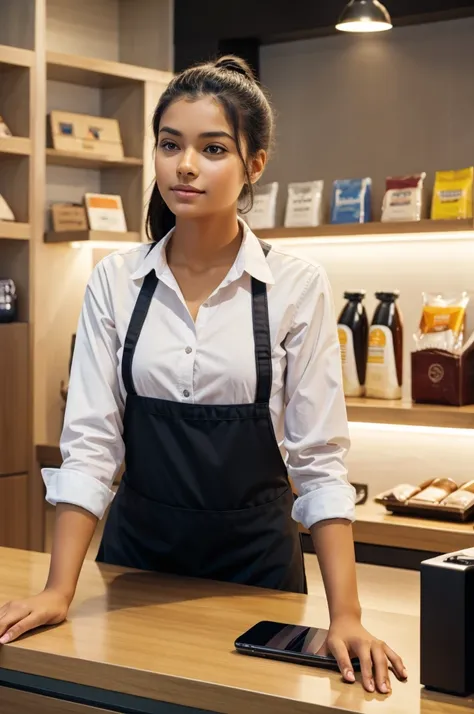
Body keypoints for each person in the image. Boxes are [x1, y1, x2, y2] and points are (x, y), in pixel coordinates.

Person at [0, 55, 406, 693]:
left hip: (258, 570)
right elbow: (91, 446)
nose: (185, 165)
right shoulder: (116, 279)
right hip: (133, 567)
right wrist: (59, 589)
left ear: (256, 163)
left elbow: (319, 462)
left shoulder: (296, 286)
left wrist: (346, 616)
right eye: (170, 145)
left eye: (213, 148)